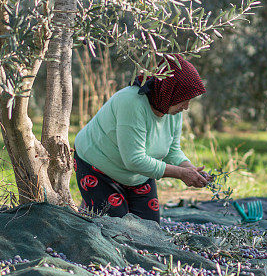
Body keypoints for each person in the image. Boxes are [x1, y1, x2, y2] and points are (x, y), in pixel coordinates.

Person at [73, 54, 211, 223]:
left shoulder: (172, 109)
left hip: (138, 175)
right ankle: (90, 206)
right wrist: (180, 173)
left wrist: (190, 169)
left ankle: (95, 207)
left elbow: (172, 150)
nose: (187, 107)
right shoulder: (132, 102)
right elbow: (134, 160)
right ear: (169, 92)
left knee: (149, 229)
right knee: (115, 229)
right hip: (99, 166)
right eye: (184, 100)